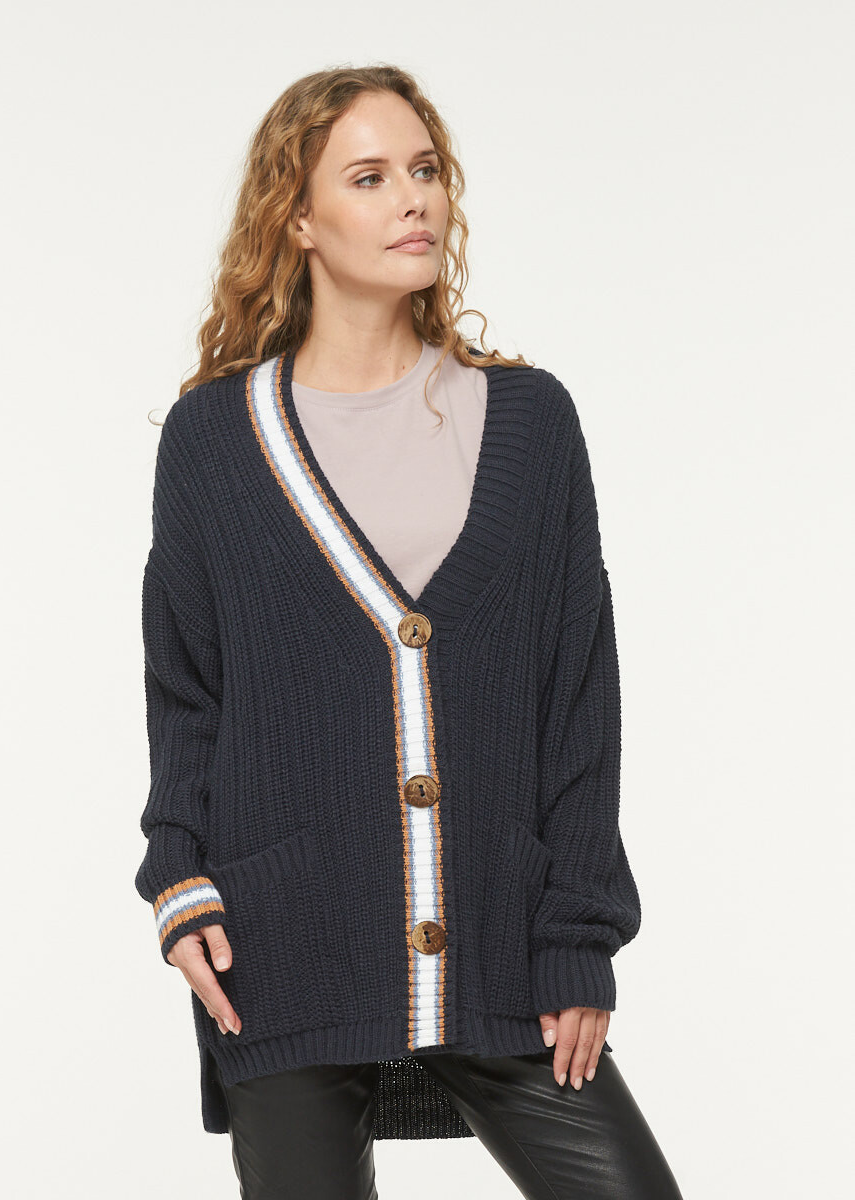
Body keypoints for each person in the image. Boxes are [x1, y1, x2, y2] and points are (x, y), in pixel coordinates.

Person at [135, 64, 686, 1199]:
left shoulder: (531, 420)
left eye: (425, 170)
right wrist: (177, 879)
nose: (413, 199)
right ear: (297, 219)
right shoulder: (213, 441)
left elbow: (579, 694)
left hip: (501, 941)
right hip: (281, 944)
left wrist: (578, 934)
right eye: (370, 177)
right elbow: (187, 688)